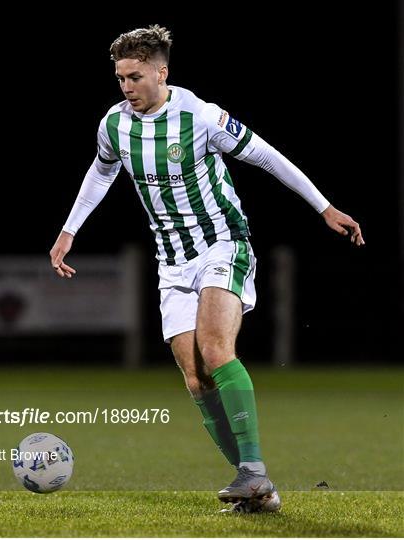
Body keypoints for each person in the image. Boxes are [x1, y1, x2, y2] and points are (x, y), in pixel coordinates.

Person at [49, 25, 364, 514]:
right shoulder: (113, 124)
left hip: (221, 244)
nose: (126, 87)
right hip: (171, 261)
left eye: (135, 76)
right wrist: (70, 230)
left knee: (216, 350)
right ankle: (259, 489)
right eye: (120, 79)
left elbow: (266, 156)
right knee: (196, 378)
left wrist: (323, 207)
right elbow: (101, 170)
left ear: (161, 71)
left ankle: (253, 473)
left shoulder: (199, 115)